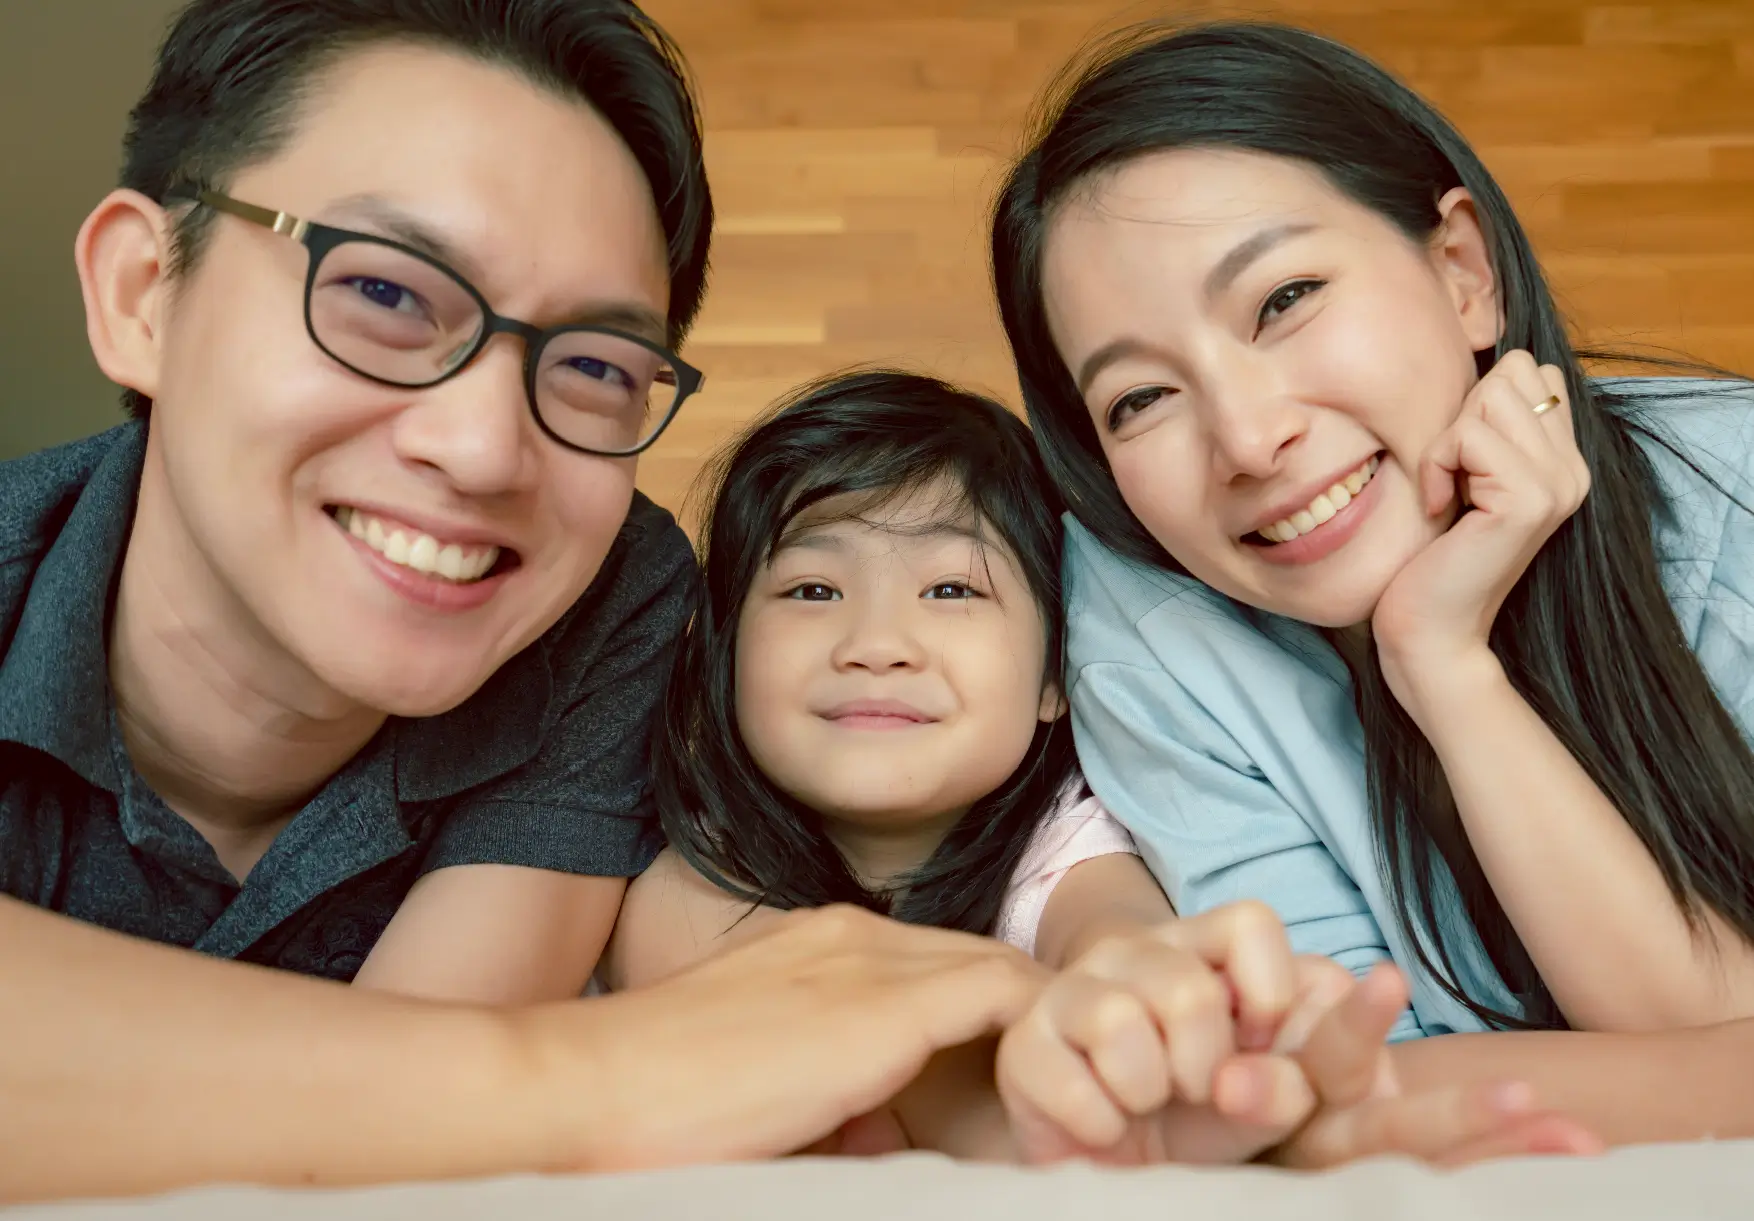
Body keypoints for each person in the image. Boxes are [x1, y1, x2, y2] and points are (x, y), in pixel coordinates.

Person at [0, 0, 1031, 1202]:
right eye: (388, 296)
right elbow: (449, 1104)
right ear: (143, 295)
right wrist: (607, 1075)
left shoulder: (605, 597)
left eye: (593, 365)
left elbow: (397, 1159)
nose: (486, 450)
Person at [989, 18, 1754, 1144]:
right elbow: (1322, 1094)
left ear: (1463, 272)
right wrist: (1440, 659)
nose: (1247, 440)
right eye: (1138, 398)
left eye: (1283, 300)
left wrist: (1443, 664)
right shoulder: (1147, 626)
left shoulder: (1732, 488)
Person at [605, 370, 1598, 1166]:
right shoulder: (694, 877)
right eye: (812, 589)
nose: (875, 644)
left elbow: (1113, 939)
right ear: (722, 655)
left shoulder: (1067, 844)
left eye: (951, 589)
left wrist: (1154, 1019)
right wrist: (1017, 1103)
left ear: (1054, 678)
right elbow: (824, 1018)